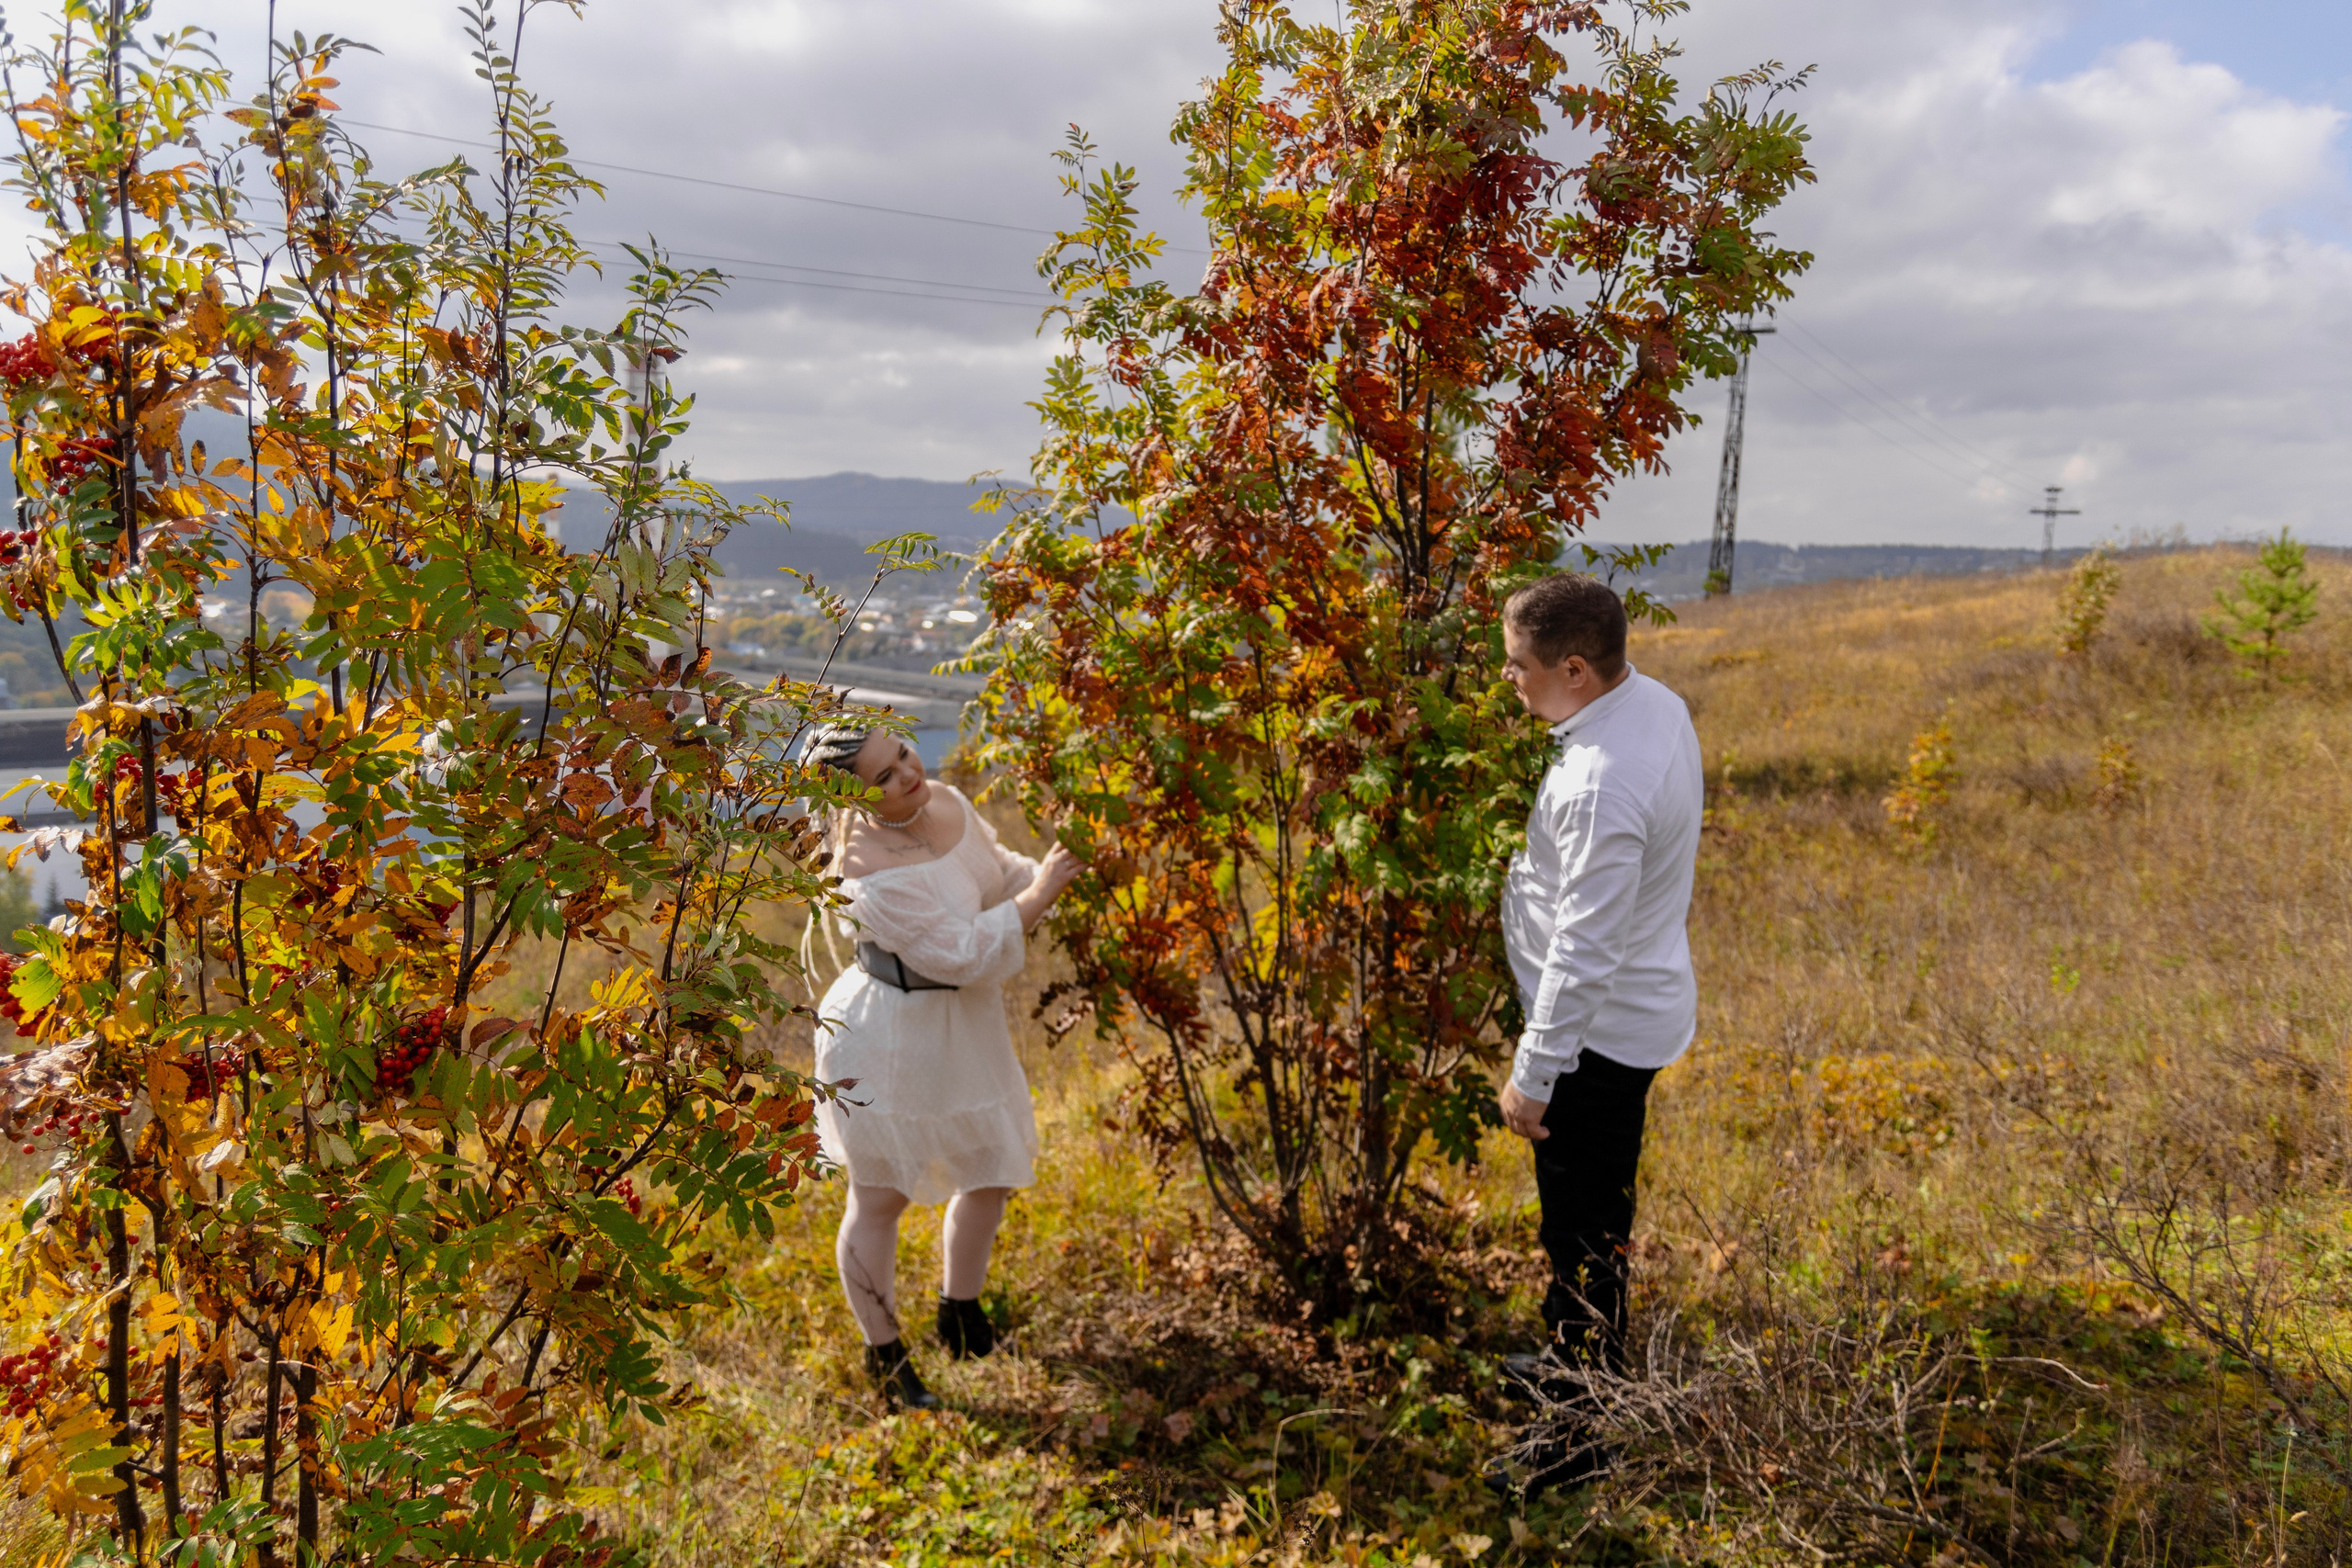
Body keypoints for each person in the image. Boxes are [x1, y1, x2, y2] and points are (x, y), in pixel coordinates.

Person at [1489, 571, 1704, 1498]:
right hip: (1626, 1015)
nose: (1509, 681)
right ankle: (1576, 1373)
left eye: (1518, 667)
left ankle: (1577, 1436)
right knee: (1589, 1223)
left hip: (1593, 1044)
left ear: (1573, 669)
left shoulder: (1601, 785)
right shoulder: (1650, 702)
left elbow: (1584, 947)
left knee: (1580, 1237)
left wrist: (1535, 1075)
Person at [805, 727, 1082, 1408]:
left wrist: (1051, 871)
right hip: (888, 1036)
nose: (906, 773)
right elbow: (957, 952)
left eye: (902, 753)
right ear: (850, 796)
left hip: (965, 1028)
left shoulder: (950, 800)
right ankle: (886, 1357)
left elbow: (1000, 874)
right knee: (881, 1196)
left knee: (989, 1170)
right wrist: (1042, 893)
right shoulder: (862, 871)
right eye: (882, 777)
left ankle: (961, 1315)